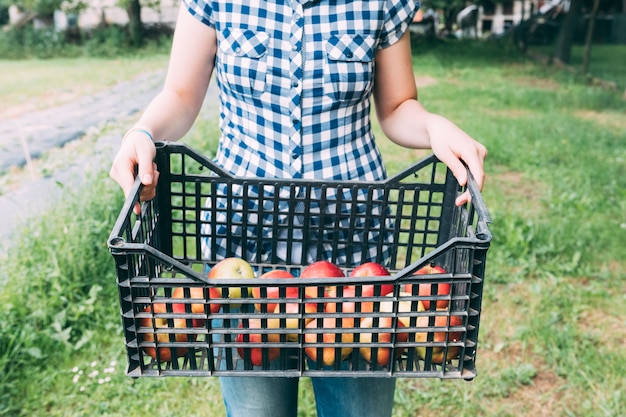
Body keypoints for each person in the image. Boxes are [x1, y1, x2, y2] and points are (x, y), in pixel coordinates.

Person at [110, 1, 487, 416]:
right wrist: (141, 132)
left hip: (354, 257)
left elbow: (397, 107)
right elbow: (181, 95)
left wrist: (435, 126)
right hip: (245, 256)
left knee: (357, 411)